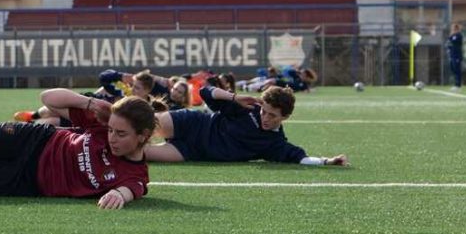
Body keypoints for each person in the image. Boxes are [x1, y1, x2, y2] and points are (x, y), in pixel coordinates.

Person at [0, 89, 161, 209]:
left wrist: (117, 194)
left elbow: (131, 190)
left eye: (121, 134)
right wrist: (89, 103)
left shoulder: (136, 177)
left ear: (143, 136)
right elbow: (48, 98)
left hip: (23, 181)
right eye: (111, 130)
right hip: (31, 139)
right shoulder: (100, 123)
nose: (112, 138)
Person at [144, 84, 349, 166]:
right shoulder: (246, 108)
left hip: (190, 150)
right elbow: (205, 92)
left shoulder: (274, 144)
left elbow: (300, 158)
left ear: (285, 117)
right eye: (264, 111)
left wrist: (326, 162)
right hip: (190, 124)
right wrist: (234, 97)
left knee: (139, 153)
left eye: (273, 116)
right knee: (137, 125)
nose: (265, 118)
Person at [447, 23, 464, 90]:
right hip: (452, 55)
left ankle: (458, 85)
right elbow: (448, 43)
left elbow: (453, 42)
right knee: (453, 69)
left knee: (457, 70)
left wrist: (450, 40)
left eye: (454, 28)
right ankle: (456, 84)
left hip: (457, 55)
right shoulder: (452, 35)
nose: (453, 29)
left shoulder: (458, 35)